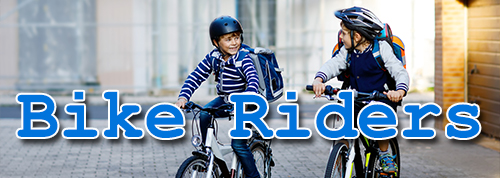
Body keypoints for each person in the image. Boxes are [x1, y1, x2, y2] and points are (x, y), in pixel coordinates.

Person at [312, 7, 409, 174]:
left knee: (379, 123)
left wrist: (399, 91)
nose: (340, 37)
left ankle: (385, 154)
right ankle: (343, 155)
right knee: (344, 125)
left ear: (356, 36)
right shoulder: (348, 52)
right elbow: (333, 64)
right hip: (356, 98)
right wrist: (319, 79)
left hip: (381, 98)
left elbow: (399, 71)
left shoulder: (381, 49)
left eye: (343, 33)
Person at [175, 16, 261, 178]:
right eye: (228, 39)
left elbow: (253, 79)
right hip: (225, 100)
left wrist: (249, 96)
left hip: (246, 103)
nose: (234, 42)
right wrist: (183, 98)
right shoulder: (213, 57)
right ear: (216, 42)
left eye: (236, 37)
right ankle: (209, 153)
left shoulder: (243, 58)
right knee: (205, 113)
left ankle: (253, 176)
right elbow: (195, 77)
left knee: (239, 144)